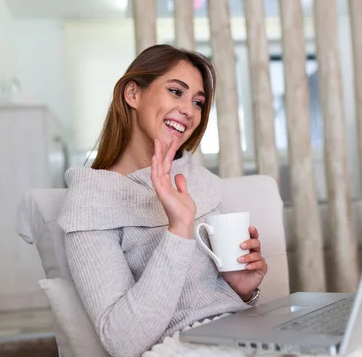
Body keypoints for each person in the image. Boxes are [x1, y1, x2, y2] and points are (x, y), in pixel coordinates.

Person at [57, 44, 268, 357]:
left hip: (246, 332)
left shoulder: (196, 180)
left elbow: (213, 298)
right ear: (133, 94)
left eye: (198, 102)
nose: (190, 110)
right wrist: (179, 229)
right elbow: (123, 341)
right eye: (175, 91)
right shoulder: (92, 199)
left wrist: (242, 290)